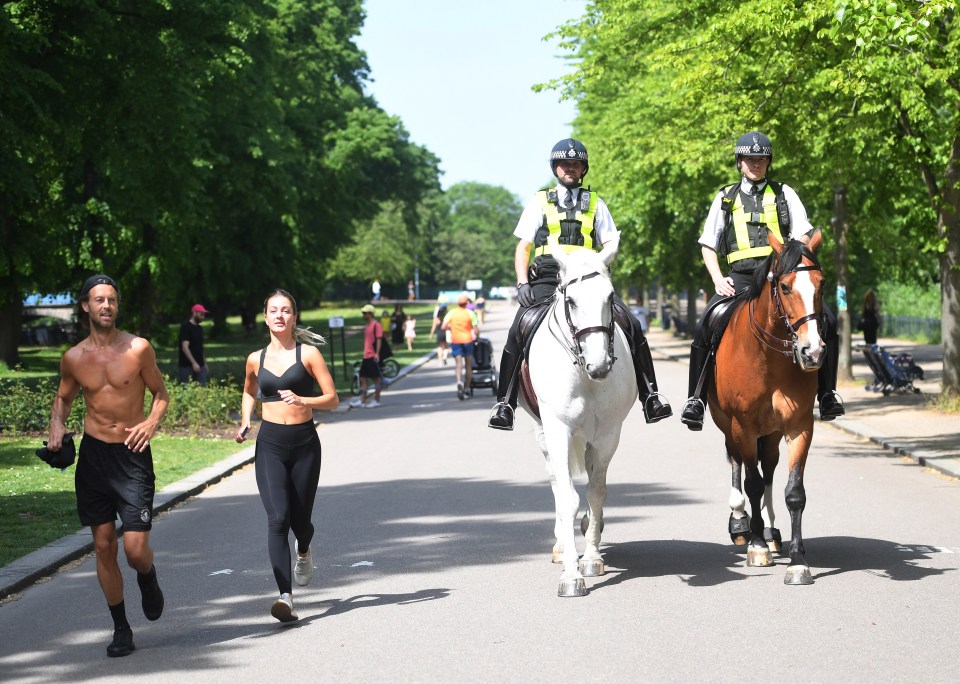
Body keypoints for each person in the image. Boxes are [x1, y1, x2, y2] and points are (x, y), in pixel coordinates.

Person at [488, 138, 673, 430]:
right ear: (555, 168)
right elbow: (523, 246)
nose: (570, 169)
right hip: (549, 277)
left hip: (587, 277)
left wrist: (602, 261)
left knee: (631, 324)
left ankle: (651, 396)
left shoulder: (596, 203)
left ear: (583, 169)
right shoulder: (539, 201)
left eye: (575, 164)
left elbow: (610, 239)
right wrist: (522, 282)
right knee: (519, 326)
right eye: (565, 164)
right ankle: (505, 403)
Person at [679, 131, 845, 431]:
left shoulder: (784, 194)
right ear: (740, 162)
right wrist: (718, 279)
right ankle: (696, 399)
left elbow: (804, 233)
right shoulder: (725, 198)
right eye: (750, 159)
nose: (757, 163)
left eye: (762, 159)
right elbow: (708, 244)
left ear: (768, 162)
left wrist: (792, 259)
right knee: (705, 324)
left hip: (779, 278)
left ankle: (827, 393)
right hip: (740, 280)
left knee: (827, 321)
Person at [45, 274, 169, 657]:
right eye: (99, 300)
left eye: (112, 300)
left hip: (131, 455)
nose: (106, 306)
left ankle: (147, 576)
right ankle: (121, 629)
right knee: (102, 546)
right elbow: (63, 399)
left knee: (134, 550)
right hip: (95, 458)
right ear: (85, 305)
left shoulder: (138, 349)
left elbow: (161, 394)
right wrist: (56, 424)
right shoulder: (74, 358)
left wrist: (150, 422)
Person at [237, 289, 338, 623]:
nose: (279, 315)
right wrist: (245, 420)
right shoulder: (256, 359)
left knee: (301, 523)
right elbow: (250, 391)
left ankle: (305, 549)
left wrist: (303, 400)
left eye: (286, 310)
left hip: (305, 444)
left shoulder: (307, 354)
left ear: (294, 317)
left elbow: (332, 398)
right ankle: (285, 597)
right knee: (278, 519)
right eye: (273, 310)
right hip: (270, 445)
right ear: (265, 317)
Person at [442, 294, 479, 397]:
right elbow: (475, 330)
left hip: (456, 340)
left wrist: (452, 328)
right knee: (468, 365)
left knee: (458, 363)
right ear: (467, 302)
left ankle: (459, 382)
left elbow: (443, 326)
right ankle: (467, 388)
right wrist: (478, 337)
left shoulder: (452, 313)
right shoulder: (470, 313)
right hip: (468, 340)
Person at [349, 304, 384, 408]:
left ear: (371, 314)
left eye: (365, 313)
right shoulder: (367, 326)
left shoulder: (376, 325)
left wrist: (377, 353)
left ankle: (376, 400)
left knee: (376, 379)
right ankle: (362, 400)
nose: (363, 315)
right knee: (363, 379)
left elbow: (379, 339)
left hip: (373, 356)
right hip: (366, 356)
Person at [178, 303, 209, 385]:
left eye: (204, 315)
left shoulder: (200, 328)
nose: (203, 317)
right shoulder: (186, 327)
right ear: (194, 313)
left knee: (202, 389)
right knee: (186, 389)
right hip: (186, 366)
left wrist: (204, 363)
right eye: (201, 314)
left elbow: (200, 348)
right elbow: (185, 347)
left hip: (200, 365)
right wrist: (194, 363)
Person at [429, 301, 449, 365]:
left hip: (439, 334)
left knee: (440, 347)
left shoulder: (436, 319)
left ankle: (440, 360)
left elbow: (433, 327)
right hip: (445, 334)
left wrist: (431, 334)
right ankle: (444, 357)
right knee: (446, 347)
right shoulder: (446, 319)